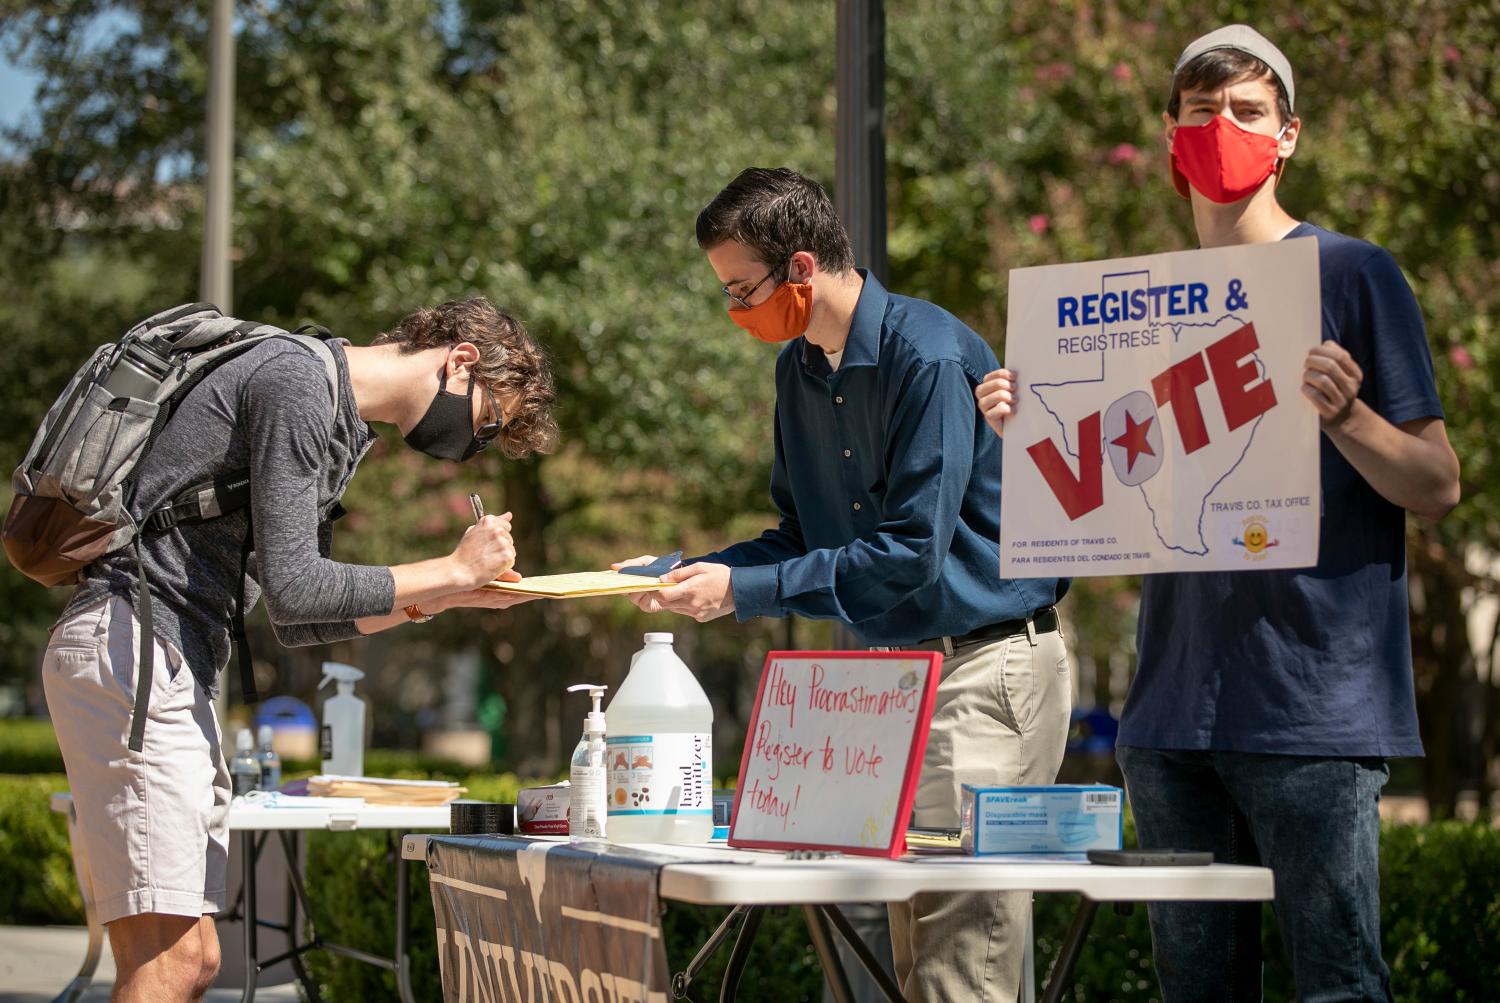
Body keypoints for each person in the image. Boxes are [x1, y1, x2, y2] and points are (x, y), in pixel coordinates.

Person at [977, 25, 1460, 1001]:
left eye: (1248, 112)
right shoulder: (1139, 307)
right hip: (1167, 716)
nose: (1224, 129)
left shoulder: (1354, 276)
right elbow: (1106, 503)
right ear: (1170, 135)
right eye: (1203, 113)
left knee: (1339, 986)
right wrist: (1026, 429)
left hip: (1311, 711)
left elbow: (1436, 482)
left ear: (1289, 136)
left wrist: (1349, 415)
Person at [618, 167, 1072, 1001]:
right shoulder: (797, 371)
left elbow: (908, 554)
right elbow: (797, 537)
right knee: (903, 956)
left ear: (800, 268)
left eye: (740, 289)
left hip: (980, 666)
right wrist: (695, 572)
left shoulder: (927, 355)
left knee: (959, 959)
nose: (733, 312)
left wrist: (743, 593)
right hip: (894, 674)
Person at [43, 296, 557, 1002]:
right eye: (487, 422)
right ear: (460, 360)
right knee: (166, 966)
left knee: (191, 960)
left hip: (161, 661)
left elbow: (302, 621)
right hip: (134, 649)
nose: (473, 446)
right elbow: (298, 588)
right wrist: (452, 568)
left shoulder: (336, 418)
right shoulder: (297, 381)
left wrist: (448, 594)